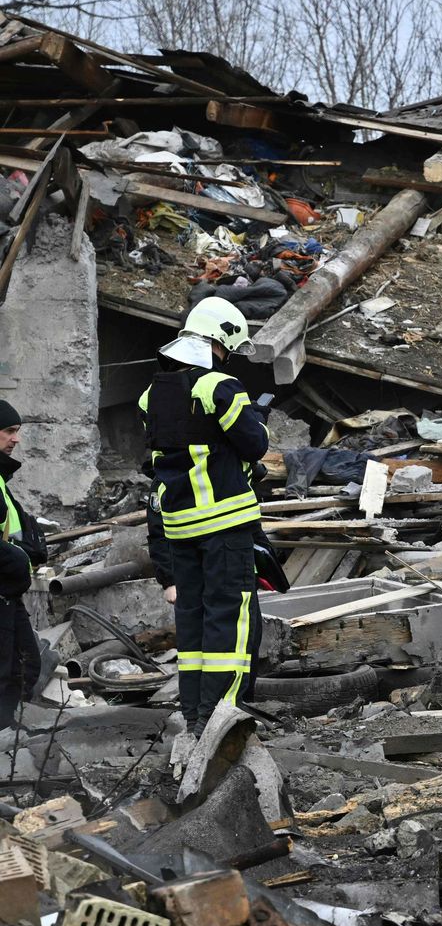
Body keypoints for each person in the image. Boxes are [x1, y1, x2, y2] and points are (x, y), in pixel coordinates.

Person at [140, 297, 270, 727]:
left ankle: (195, 712)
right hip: (224, 524)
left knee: (193, 620)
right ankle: (224, 714)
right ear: (222, 340)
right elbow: (256, 444)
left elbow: (165, 456)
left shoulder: (150, 396)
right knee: (229, 617)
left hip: (179, 528)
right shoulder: (220, 388)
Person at [0, 402, 46, 730]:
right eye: (9, 431)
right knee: (5, 671)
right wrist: (19, 558)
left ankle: (10, 737)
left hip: (8, 591)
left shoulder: (0, 478)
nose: (16, 439)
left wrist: (28, 548)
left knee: (26, 664)